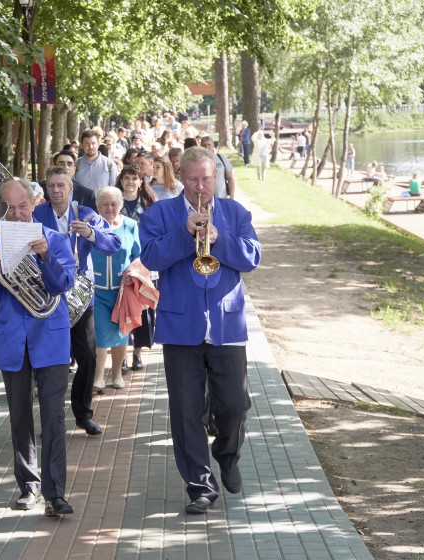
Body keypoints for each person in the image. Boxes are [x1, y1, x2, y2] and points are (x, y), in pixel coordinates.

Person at [139, 147, 262, 514]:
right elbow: (150, 257)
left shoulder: (236, 213)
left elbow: (252, 257)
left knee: (235, 406)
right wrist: (183, 234)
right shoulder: (161, 213)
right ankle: (200, 486)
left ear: (216, 178)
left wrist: (220, 239)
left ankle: (226, 453)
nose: (199, 187)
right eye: (192, 179)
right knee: (186, 411)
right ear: (180, 177)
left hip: (226, 324)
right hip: (180, 327)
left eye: (206, 179)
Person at [0, 179, 77, 516]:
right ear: (1, 210)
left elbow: (64, 284)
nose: (17, 214)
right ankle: (28, 486)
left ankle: (55, 492)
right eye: (9, 208)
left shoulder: (56, 239)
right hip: (13, 338)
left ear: (34, 203)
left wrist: (46, 255)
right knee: (19, 417)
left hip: (51, 336)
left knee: (54, 417)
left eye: (22, 206)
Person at [34, 168, 121, 435]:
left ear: (71, 188)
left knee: (88, 356)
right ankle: (52, 416)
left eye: (61, 185)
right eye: (51, 186)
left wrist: (91, 234)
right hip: (46, 294)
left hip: (81, 297)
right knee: (51, 359)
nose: (56, 190)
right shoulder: (37, 215)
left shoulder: (86, 214)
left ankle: (83, 413)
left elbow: (113, 243)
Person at [91, 186, 141, 391]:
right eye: (105, 204)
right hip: (98, 289)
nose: (109, 208)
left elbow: (137, 256)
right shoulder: (91, 226)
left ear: (120, 205)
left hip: (122, 290)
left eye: (113, 204)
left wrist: (132, 274)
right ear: (97, 206)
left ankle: (117, 373)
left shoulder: (130, 225)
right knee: (101, 334)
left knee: (121, 333)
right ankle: (98, 377)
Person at [115, 166, 156, 372]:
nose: (130, 182)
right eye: (126, 178)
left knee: (142, 309)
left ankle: (137, 354)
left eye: (134, 178)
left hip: (144, 263)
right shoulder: (114, 202)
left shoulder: (149, 204)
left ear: (141, 182)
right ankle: (121, 356)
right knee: (122, 310)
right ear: (120, 181)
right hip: (120, 264)